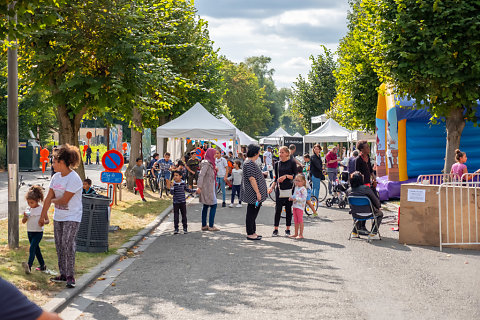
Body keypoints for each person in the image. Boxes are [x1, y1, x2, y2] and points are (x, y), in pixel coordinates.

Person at [40, 144, 83, 288]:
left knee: (67, 243)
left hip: (72, 216)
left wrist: (52, 201)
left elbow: (64, 200)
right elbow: (48, 197)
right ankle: (63, 274)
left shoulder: (74, 178)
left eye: (54, 161)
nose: (52, 164)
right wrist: (43, 215)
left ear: (62, 162)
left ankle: (71, 276)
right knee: (59, 245)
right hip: (59, 216)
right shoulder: (56, 177)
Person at [268, 146, 297, 237]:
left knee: (288, 209)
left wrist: (286, 176)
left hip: (289, 188)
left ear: (287, 153)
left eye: (282, 152)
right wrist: (272, 187)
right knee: (278, 209)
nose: (280, 154)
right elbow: (276, 178)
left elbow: (296, 177)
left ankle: (287, 229)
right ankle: (275, 229)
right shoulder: (277, 164)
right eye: (279, 153)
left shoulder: (292, 162)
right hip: (279, 189)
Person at [242, 144, 268, 240]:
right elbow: (252, 179)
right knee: (251, 213)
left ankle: (253, 231)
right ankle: (250, 233)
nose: (259, 154)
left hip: (254, 193)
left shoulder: (249, 162)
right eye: (259, 152)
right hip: (253, 193)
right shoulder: (249, 163)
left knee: (253, 213)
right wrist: (258, 192)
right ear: (255, 153)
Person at [348, 171, 383, 237]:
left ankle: (355, 232)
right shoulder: (366, 188)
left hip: (355, 214)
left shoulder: (349, 190)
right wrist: (378, 207)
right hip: (369, 212)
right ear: (360, 179)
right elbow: (376, 202)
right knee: (380, 214)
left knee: (357, 208)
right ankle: (373, 233)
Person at [21, 186, 46, 274]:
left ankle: (29, 266)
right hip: (30, 231)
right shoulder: (28, 209)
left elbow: (47, 220)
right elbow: (23, 221)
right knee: (36, 249)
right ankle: (42, 265)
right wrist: (25, 217)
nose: (30, 204)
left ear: (37, 200)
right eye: (28, 202)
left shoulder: (41, 209)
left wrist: (43, 221)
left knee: (32, 248)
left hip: (38, 232)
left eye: (32, 202)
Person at [197, 148, 220, 231]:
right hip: (207, 188)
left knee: (206, 205)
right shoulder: (207, 164)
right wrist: (199, 186)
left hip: (209, 187)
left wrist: (215, 170)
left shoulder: (210, 163)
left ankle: (204, 225)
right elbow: (201, 175)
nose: (215, 155)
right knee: (214, 205)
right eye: (214, 154)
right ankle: (211, 225)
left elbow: (209, 175)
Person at [289, 174, 308, 239]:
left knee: (300, 220)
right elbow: (294, 195)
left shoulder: (303, 189)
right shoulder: (296, 188)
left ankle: (301, 234)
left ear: (303, 181)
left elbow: (303, 198)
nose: (296, 182)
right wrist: (291, 197)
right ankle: (296, 233)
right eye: (295, 180)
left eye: (298, 180)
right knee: (295, 220)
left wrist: (296, 199)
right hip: (295, 206)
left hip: (300, 207)